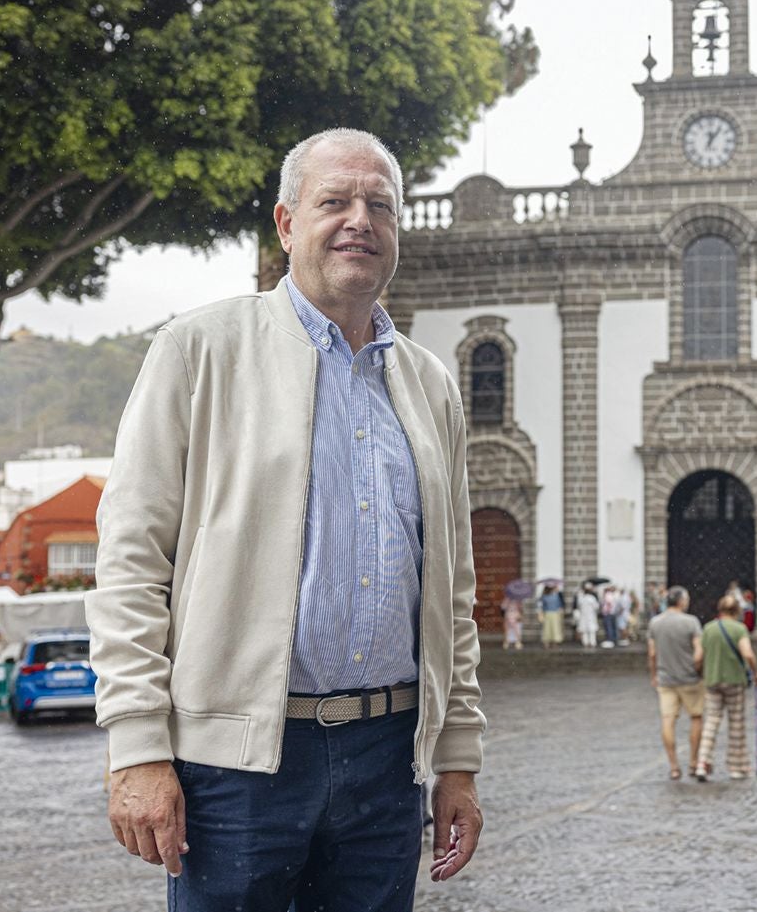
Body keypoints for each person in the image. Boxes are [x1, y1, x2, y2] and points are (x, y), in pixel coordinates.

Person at [86, 128, 484, 911]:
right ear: (285, 223)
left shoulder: (430, 383)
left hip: (386, 757)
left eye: (379, 204)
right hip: (236, 768)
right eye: (333, 201)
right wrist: (136, 747)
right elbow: (131, 560)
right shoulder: (198, 351)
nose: (358, 220)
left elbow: (453, 591)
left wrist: (458, 757)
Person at [694, 594, 757, 781]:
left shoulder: (708, 629)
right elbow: (748, 654)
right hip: (734, 681)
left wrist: (701, 673)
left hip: (713, 680)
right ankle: (736, 766)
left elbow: (698, 657)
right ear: (736, 611)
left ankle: (702, 763)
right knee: (736, 724)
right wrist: (756, 672)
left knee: (711, 721)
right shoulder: (739, 629)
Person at [647, 586, 705, 780]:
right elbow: (698, 652)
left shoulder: (655, 623)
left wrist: (654, 675)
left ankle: (673, 766)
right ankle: (693, 761)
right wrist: (698, 669)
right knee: (696, 718)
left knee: (667, 720)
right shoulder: (691, 622)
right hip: (689, 678)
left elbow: (652, 653)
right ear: (681, 601)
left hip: (666, 679)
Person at [538, 582, 565, 649]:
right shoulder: (555, 596)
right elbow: (560, 605)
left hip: (548, 613)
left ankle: (547, 643)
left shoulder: (544, 597)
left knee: (547, 628)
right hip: (554, 614)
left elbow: (542, 606)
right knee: (555, 628)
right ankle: (554, 643)